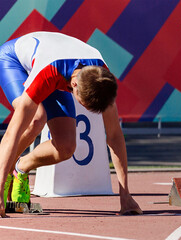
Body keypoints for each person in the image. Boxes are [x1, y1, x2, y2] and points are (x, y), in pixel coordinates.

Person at [0, 31, 142, 217]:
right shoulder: (48, 73)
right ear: (73, 85)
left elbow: (114, 136)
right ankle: (4, 175)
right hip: (15, 61)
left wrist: (125, 195)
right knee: (35, 119)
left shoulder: (101, 79)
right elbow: (13, 133)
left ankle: (21, 168)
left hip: (58, 68)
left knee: (66, 147)